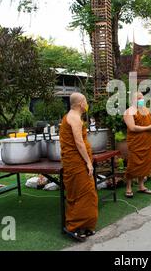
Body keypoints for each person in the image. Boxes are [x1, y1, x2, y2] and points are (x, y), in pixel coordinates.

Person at [59, 92, 98, 241]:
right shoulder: (74, 118)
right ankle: (74, 227)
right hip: (76, 162)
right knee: (81, 194)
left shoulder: (73, 117)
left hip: (78, 160)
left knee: (87, 193)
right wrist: (88, 162)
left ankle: (86, 226)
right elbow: (78, 142)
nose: (87, 104)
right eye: (86, 101)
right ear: (80, 103)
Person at [123, 92, 151, 196]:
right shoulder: (129, 112)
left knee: (145, 163)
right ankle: (129, 187)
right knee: (133, 163)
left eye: (142, 98)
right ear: (132, 100)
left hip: (147, 141)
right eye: (138, 98)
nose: (141, 100)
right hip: (136, 142)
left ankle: (141, 185)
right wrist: (148, 128)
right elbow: (132, 127)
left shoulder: (145, 111)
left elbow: (150, 123)